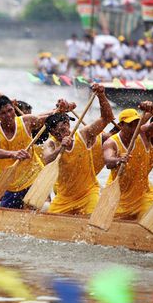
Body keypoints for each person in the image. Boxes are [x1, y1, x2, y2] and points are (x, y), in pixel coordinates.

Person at [0, 95, 72, 209]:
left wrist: (61, 109)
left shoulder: (27, 121)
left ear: (13, 108)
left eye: (10, 110)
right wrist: (13, 154)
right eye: (3, 113)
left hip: (35, 176)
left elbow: (49, 118)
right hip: (13, 185)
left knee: (38, 210)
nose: (8, 115)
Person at [44, 84, 115, 215]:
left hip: (88, 194)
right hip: (64, 197)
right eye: (57, 133)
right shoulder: (51, 144)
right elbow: (46, 160)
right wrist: (60, 150)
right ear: (52, 133)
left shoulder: (84, 134)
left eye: (64, 129)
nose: (62, 134)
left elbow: (107, 118)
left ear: (68, 124)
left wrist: (101, 95)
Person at [102, 103, 153, 220]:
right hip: (119, 198)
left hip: (143, 197)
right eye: (131, 125)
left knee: (149, 220)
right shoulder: (111, 143)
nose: (135, 129)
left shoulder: (144, 134)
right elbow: (108, 162)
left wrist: (152, 109)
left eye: (137, 125)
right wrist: (118, 160)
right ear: (121, 125)